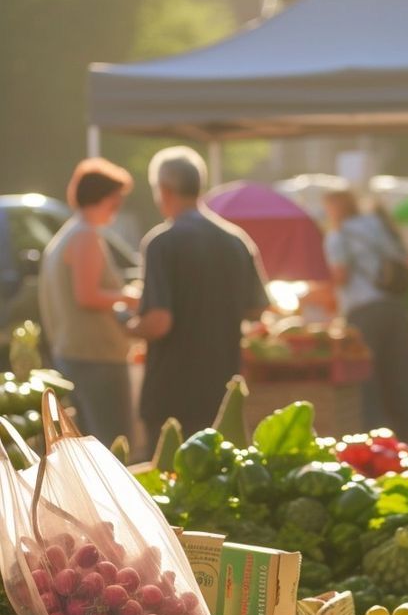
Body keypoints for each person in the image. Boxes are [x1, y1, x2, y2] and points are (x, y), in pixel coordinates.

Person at [128, 147, 269, 451]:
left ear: (163, 190)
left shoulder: (161, 243)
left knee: (167, 483)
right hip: (221, 390)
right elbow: (258, 308)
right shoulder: (236, 240)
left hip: (171, 391)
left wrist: (125, 324)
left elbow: (159, 322)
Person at [39, 157, 137, 444]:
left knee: (85, 444)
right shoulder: (85, 236)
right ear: (104, 198)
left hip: (73, 354)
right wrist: (129, 297)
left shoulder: (66, 235)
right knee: (114, 443)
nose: (117, 209)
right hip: (97, 358)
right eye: (116, 201)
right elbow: (88, 295)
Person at [323, 189, 408, 446]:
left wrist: (316, 293)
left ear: (334, 209)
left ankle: (376, 436)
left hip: (363, 308)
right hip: (394, 303)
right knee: (400, 369)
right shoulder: (376, 224)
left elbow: (341, 275)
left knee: (365, 374)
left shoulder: (339, 236)